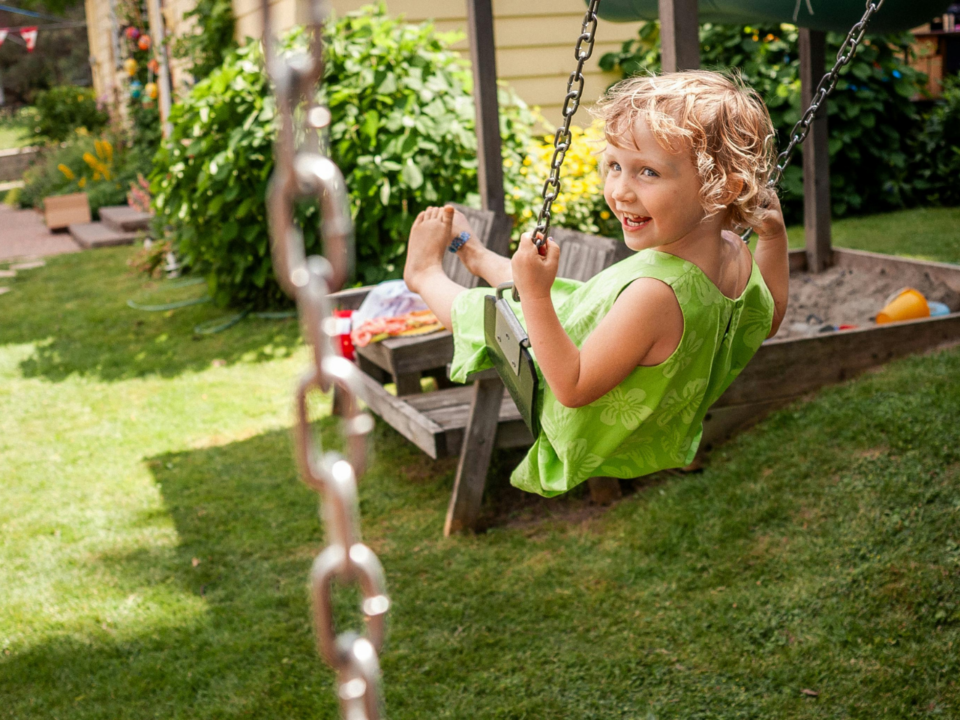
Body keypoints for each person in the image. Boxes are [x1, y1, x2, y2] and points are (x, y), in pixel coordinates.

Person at [402, 71, 789, 497]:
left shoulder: (656, 295)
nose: (619, 191)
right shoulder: (733, 250)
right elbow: (766, 317)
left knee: (490, 314)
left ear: (723, 189)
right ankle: (478, 257)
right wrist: (773, 237)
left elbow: (572, 387)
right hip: (599, 334)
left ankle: (424, 274)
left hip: (575, 395)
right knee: (565, 295)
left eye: (648, 172)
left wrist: (534, 295)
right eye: (615, 166)